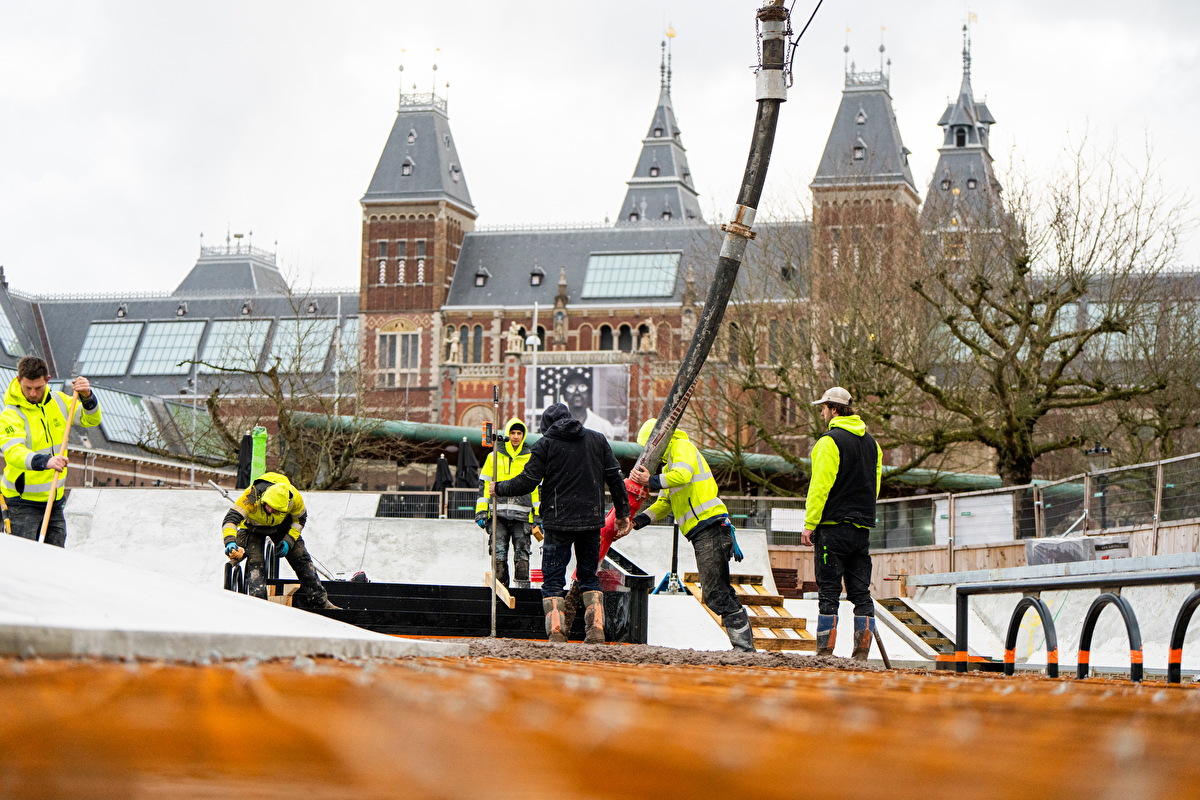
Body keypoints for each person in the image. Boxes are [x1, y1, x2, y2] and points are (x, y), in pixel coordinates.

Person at [494, 402, 631, 644]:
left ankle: (556, 632)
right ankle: (596, 629)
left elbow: (527, 480)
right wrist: (622, 513)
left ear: (546, 426)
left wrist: (499, 488)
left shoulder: (545, 444)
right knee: (589, 576)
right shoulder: (598, 440)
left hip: (558, 523)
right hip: (590, 522)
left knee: (553, 579)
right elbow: (615, 477)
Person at [630, 420, 755, 653]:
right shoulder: (669, 467)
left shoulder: (682, 448)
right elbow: (664, 503)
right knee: (718, 591)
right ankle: (744, 647)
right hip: (704, 531)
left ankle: (745, 649)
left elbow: (684, 476)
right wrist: (636, 522)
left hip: (711, 526)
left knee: (716, 593)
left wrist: (651, 481)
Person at [800, 387, 883, 660]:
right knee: (861, 594)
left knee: (829, 592)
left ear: (834, 409)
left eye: (824, 408)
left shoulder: (829, 442)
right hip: (861, 530)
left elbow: (819, 486)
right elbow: (875, 484)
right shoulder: (873, 444)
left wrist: (810, 523)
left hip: (833, 528)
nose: (822, 412)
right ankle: (861, 654)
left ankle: (825, 652)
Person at [1, 356, 102, 547]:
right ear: (18, 381)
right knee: (23, 561)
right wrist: (45, 461)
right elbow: (14, 452)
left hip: (53, 500)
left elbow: (91, 420)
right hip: (21, 503)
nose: (32, 393)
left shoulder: (60, 402)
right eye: (27, 387)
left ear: (47, 380)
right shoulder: (11, 414)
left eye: (37, 388)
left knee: (54, 560)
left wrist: (87, 396)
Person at [221, 471, 339, 610]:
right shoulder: (251, 496)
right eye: (269, 506)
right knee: (256, 565)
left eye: (276, 509)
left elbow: (299, 520)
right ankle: (259, 605)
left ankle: (320, 602)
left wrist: (288, 541)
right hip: (252, 528)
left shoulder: (295, 499)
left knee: (301, 558)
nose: (270, 510)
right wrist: (230, 541)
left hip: (281, 526)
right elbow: (230, 520)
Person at [475, 417, 541, 586]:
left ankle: (521, 592)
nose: (516, 436)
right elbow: (484, 486)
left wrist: (538, 517)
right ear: (508, 434)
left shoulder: (531, 457)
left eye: (519, 433)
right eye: (513, 433)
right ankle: (500, 591)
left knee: (522, 555)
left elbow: (537, 491)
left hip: (522, 517)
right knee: (498, 554)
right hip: (498, 515)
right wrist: (482, 512)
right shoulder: (494, 456)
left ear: (524, 435)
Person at [560, 368, 620, 439]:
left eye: (582, 387)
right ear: (564, 396)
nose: (577, 392)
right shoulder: (556, 426)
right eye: (571, 388)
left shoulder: (604, 427)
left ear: (589, 394)